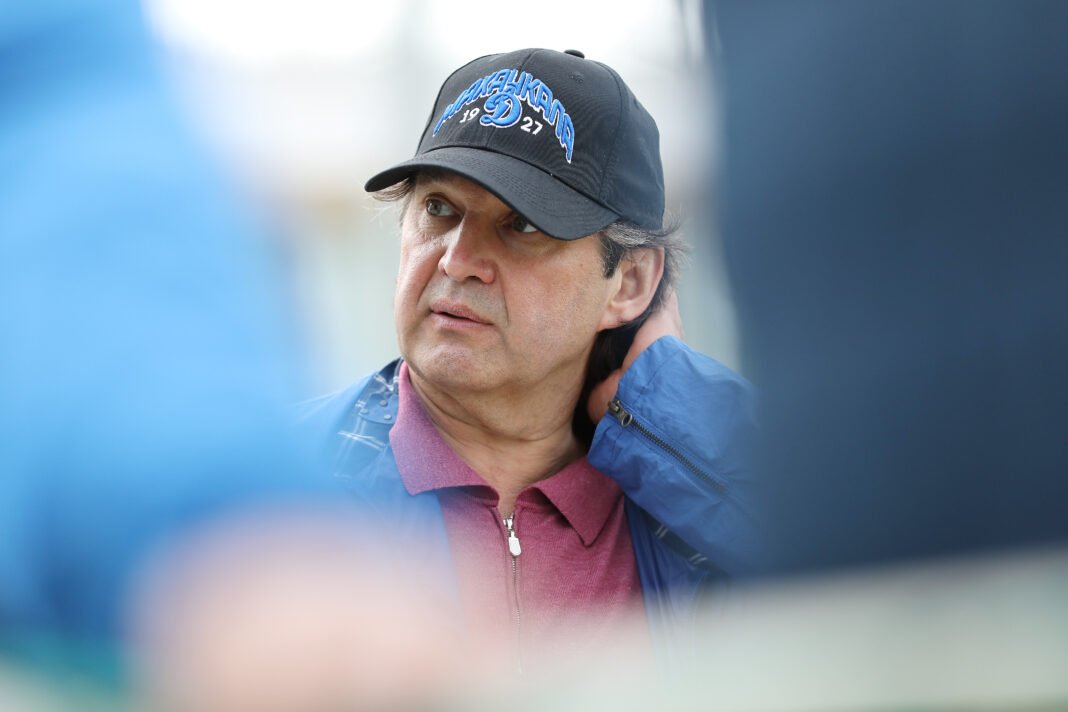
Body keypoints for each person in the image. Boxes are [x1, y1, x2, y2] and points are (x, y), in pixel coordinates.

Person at [302, 47, 758, 668]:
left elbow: (864, 575)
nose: (457, 260)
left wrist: (672, 404)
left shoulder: (696, 501)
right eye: (438, 208)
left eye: (521, 225)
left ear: (628, 284)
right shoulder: (281, 485)